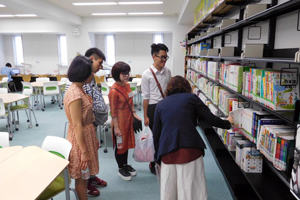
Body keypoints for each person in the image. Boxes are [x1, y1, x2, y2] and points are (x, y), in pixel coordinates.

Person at [153, 76, 234, 200]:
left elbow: (156, 134)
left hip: (167, 151)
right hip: (190, 149)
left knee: (169, 192)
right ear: (187, 87)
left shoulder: (160, 104)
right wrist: (227, 123)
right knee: (190, 189)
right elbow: (210, 118)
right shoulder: (192, 98)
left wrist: (157, 157)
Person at [63, 55, 99, 200]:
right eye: (90, 71)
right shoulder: (75, 93)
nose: (93, 74)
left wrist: (94, 138)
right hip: (80, 140)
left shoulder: (80, 89)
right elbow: (77, 125)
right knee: (81, 178)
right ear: (83, 73)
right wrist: (84, 151)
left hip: (86, 135)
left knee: (85, 175)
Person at [108, 61, 142, 181]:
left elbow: (131, 102)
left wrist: (134, 114)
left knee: (126, 143)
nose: (127, 76)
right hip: (119, 121)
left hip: (128, 119)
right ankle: (120, 167)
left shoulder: (127, 85)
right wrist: (116, 127)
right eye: (124, 73)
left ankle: (125, 164)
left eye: (128, 73)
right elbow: (113, 112)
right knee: (120, 144)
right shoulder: (113, 91)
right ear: (117, 74)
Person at [141, 43, 171, 174]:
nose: (164, 60)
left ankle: (164, 159)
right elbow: (145, 96)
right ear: (154, 56)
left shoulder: (168, 72)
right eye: (162, 57)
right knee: (155, 136)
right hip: (153, 108)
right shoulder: (146, 74)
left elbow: (169, 91)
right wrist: (146, 115)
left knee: (166, 135)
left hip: (166, 106)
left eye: (166, 57)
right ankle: (154, 162)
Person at [83, 48, 108, 196]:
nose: (101, 67)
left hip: (92, 123)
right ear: (92, 59)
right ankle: (86, 182)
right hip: (86, 124)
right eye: (100, 62)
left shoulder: (91, 77)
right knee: (85, 155)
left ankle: (91, 177)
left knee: (93, 152)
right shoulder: (80, 78)